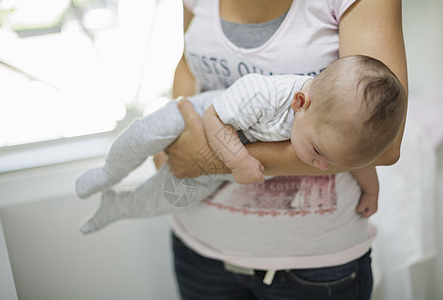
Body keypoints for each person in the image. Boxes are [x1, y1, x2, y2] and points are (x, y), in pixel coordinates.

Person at [156, 0, 408, 299]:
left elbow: (385, 146)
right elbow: (186, 62)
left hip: (314, 268)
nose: (321, 164)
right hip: (199, 248)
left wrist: (205, 159)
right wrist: (175, 135)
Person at [75, 55, 405, 234]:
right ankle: (109, 172)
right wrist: (239, 162)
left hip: (210, 172)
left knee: (168, 200)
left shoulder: (332, 129)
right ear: (300, 102)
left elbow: (359, 161)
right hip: (197, 118)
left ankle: (118, 206)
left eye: (331, 162)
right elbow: (216, 118)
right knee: (144, 133)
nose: (320, 167)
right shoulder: (264, 93)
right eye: (319, 154)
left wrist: (371, 191)